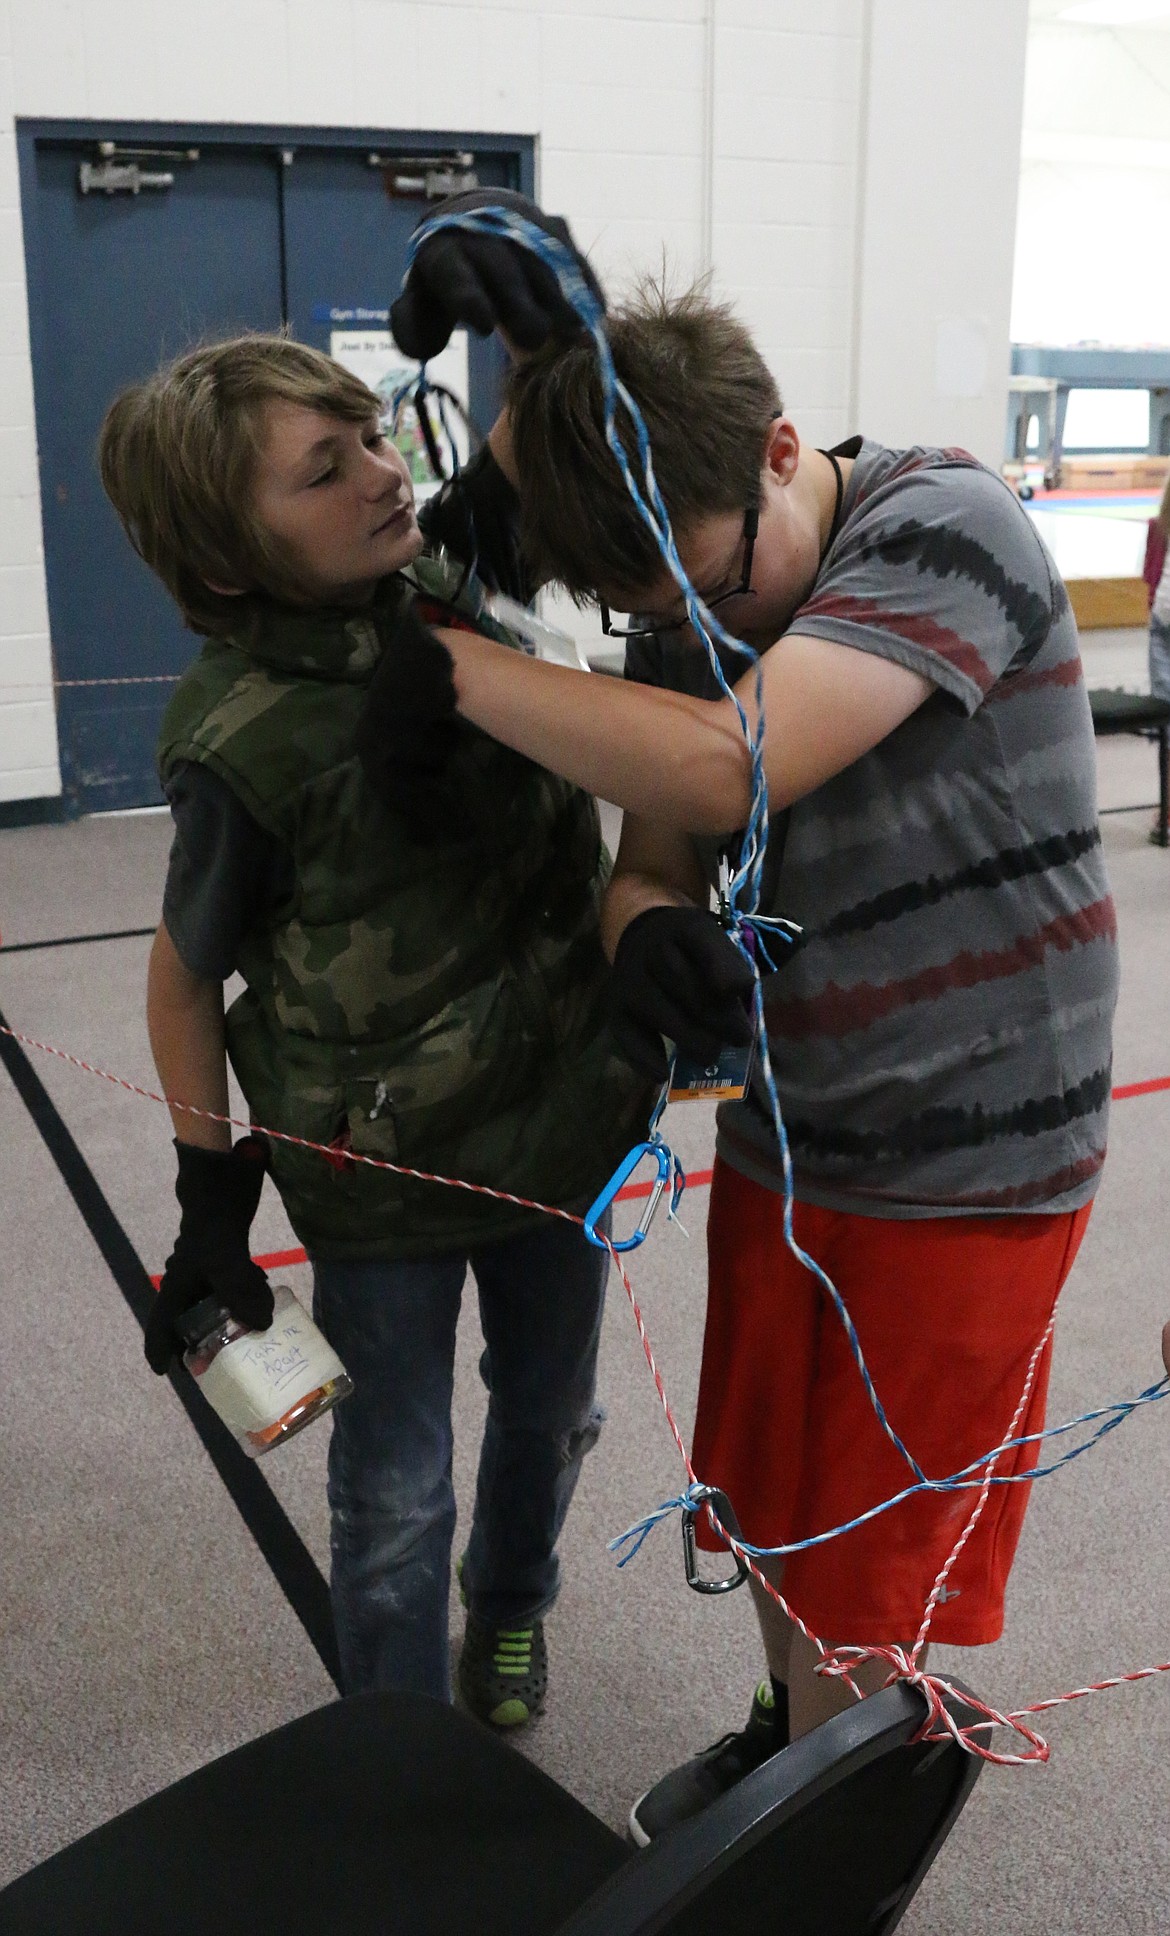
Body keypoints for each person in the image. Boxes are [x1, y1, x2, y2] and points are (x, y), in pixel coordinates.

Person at [370, 201, 1120, 1840]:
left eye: (711, 583)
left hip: (967, 1161)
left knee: (870, 1558)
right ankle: (793, 1743)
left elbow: (722, 762)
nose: (697, 629)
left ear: (784, 452)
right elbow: (654, 853)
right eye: (657, 607)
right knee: (777, 1503)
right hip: (803, 1132)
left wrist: (449, 666)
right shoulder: (681, 590)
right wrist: (642, 936)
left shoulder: (946, 524)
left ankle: (821, 1847)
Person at [97, 329, 650, 1725]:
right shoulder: (245, 741)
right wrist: (208, 1196)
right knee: (395, 1492)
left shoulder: (451, 591)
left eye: (371, 438)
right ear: (226, 561)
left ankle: (512, 1605)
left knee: (552, 1413)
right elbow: (181, 981)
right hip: (381, 1183)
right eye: (322, 469)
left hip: (559, 1129)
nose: (380, 476)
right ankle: (399, 1747)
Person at [1143, 469, 1170, 703]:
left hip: (1162, 615)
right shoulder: (1158, 528)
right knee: (1162, 699)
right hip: (1162, 618)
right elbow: (1150, 574)